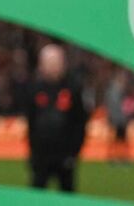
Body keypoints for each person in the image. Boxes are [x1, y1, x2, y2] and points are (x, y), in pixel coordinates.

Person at [26, 43, 88, 192]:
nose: (52, 67)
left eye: (55, 62)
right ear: (41, 65)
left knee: (66, 195)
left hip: (65, 155)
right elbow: (31, 122)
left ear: (63, 64)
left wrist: (74, 153)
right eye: (48, 63)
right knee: (36, 196)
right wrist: (33, 152)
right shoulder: (35, 89)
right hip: (41, 155)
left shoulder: (73, 89)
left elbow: (80, 122)